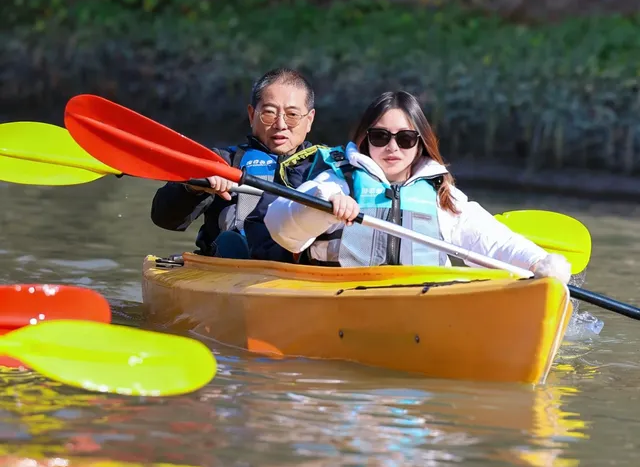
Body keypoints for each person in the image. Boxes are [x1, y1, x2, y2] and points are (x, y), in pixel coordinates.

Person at [264, 90, 572, 280]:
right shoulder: (337, 180)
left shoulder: (440, 194)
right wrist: (323, 206)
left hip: (420, 297)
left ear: (420, 143)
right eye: (380, 137)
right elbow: (281, 229)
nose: (393, 148)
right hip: (342, 295)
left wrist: (539, 262)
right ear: (366, 139)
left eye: (406, 138)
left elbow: (491, 242)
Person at [151, 68, 317, 259]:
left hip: (301, 274)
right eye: (269, 113)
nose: (280, 124)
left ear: (309, 119)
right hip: (230, 270)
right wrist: (192, 189)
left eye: (292, 115)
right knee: (231, 242)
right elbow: (164, 218)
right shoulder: (222, 162)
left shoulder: (326, 168)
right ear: (251, 115)